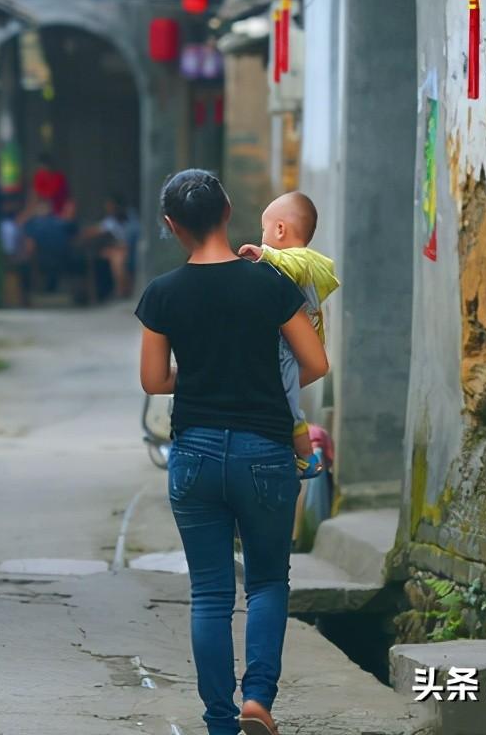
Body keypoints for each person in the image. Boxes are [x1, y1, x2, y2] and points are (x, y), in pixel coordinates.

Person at [135, 170, 329, 735]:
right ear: (227, 211)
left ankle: (219, 722)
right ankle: (258, 700)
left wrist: (202, 373)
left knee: (211, 592)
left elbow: (153, 379)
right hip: (266, 452)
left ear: (174, 227)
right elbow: (315, 363)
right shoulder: (269, 284)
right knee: (268, 581)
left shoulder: (162, 293)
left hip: (193, 454)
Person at [237, 192, 341, 473]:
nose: (262, 236)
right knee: (287, 397)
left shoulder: (301, 261)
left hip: (288, 347)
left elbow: (292, 263)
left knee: (288, 404)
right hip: (298, 344)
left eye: (264, 229)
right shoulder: (309, 264)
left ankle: (307, 460)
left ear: (280, 229)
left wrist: (264, 254)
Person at [22, 194, 78, 297]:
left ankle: (29, 295)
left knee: (23, 266)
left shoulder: (32, 224)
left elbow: (30, 247)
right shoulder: (61, 222)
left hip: (42, 262)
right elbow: (75, 237)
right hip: (64, 260)